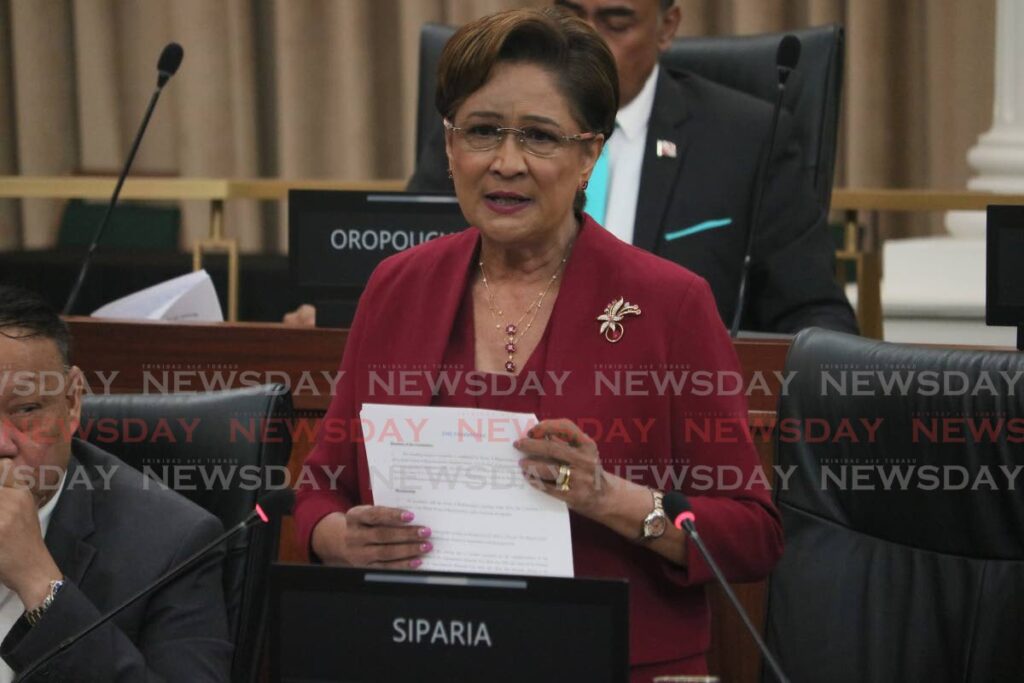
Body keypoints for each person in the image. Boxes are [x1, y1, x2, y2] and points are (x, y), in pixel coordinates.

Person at [294, 8, 782, 680]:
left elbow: (753, 534)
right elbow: (320, 487)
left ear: (589, 154)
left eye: (540, 137)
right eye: (483, 131)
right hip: (423, 652)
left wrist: (610, 496)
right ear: (448, 145)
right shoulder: (396, 287)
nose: (506, 163)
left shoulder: (672, 303)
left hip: (615, 662)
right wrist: (338, 538)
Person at [409, 0, 858, 335]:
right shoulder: (479, 135)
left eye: (615, 22)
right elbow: (404, 276)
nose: (584, 39)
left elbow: (816, 318)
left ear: (667, 26)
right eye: (568, 15)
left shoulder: (747, 139)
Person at [0, 286, 231, 681]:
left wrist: (40, 583)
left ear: (72, 402)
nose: (2, 444)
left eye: (25, 410)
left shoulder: (173, 544)